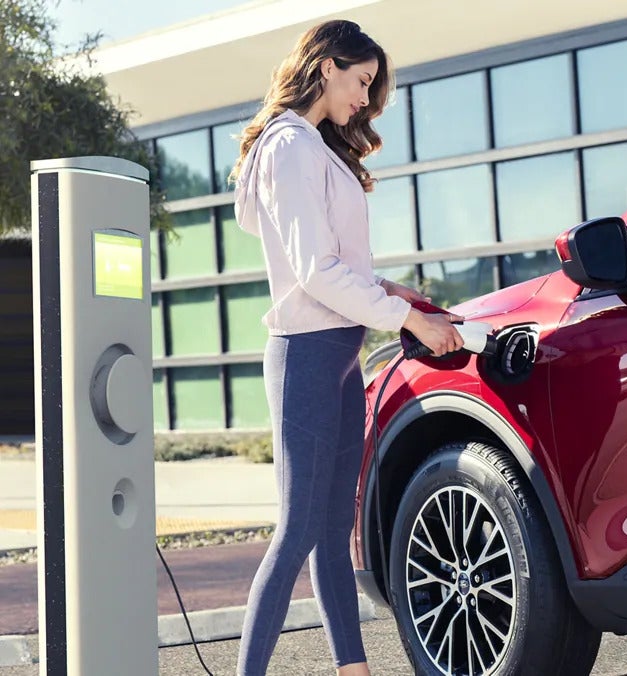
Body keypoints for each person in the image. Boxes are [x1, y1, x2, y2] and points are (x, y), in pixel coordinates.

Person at [229, 19, 463, 676]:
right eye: (361, 82)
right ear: (328, 65)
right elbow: (313, 272)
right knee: (299, 529)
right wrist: (406, 323)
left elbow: (338, 266)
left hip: (339, 355)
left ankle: (352, 671)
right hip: (306, 354)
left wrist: (398, 294)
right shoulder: (288, 147)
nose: (364, 99)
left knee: (334, 535)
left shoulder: (316, 149)